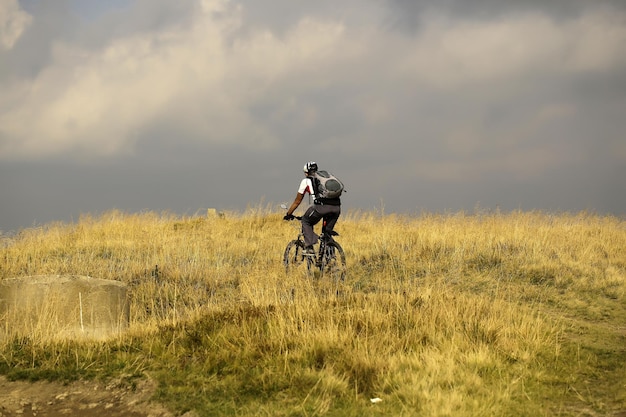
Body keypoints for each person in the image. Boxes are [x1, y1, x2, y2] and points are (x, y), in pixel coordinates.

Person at [283, 161, 341, 254]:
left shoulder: (306, 181)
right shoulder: (324, 178)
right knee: (326, 234)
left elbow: (297, 201)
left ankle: (309, 247)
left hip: (320, 207)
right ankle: (331, 260)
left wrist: (288, 214)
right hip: (336, 208)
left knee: (306, 221)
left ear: (306, 172)